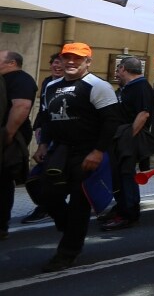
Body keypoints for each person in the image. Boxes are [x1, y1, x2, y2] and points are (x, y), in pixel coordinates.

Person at [34, 43, 123, 272]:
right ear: (61, 61)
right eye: (67, 58)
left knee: (79, 204)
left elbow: (111, 121)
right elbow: (47, 118)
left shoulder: (98, 86)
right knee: (44, 192)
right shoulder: (51, 86)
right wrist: (43, 144)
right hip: (60, 150)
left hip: (88, 151)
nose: (71, 62)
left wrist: (98, 151)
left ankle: (67, 252)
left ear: (88, 62)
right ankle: (67, 225)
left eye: (77, 58)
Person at [102, 57, 154, 230]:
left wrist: (129, 137)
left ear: (123, 68)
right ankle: (121, 207)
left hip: (129, 137)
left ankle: (129, 213)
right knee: (118, 175)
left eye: (118, 70)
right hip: (121, 136)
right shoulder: (127, 88)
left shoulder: (140, 87)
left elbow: (144, 114)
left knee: (126, 176)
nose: (117, 74)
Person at [22, 53, 64, 225]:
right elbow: (44, 111)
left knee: (47, 174)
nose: (58, 66)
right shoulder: (47, 82)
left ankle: (48, 208)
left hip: (64, 138)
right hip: (46, 133)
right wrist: (39, 130)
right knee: (38, 175)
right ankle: (46, 206)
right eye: (55, 62)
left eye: (61, 63)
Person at [0, 50, 38, 240]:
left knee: (3, 180)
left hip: (10, 137)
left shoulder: (21, 79)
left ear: (12, 63)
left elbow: (21, 106)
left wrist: (8, 135)